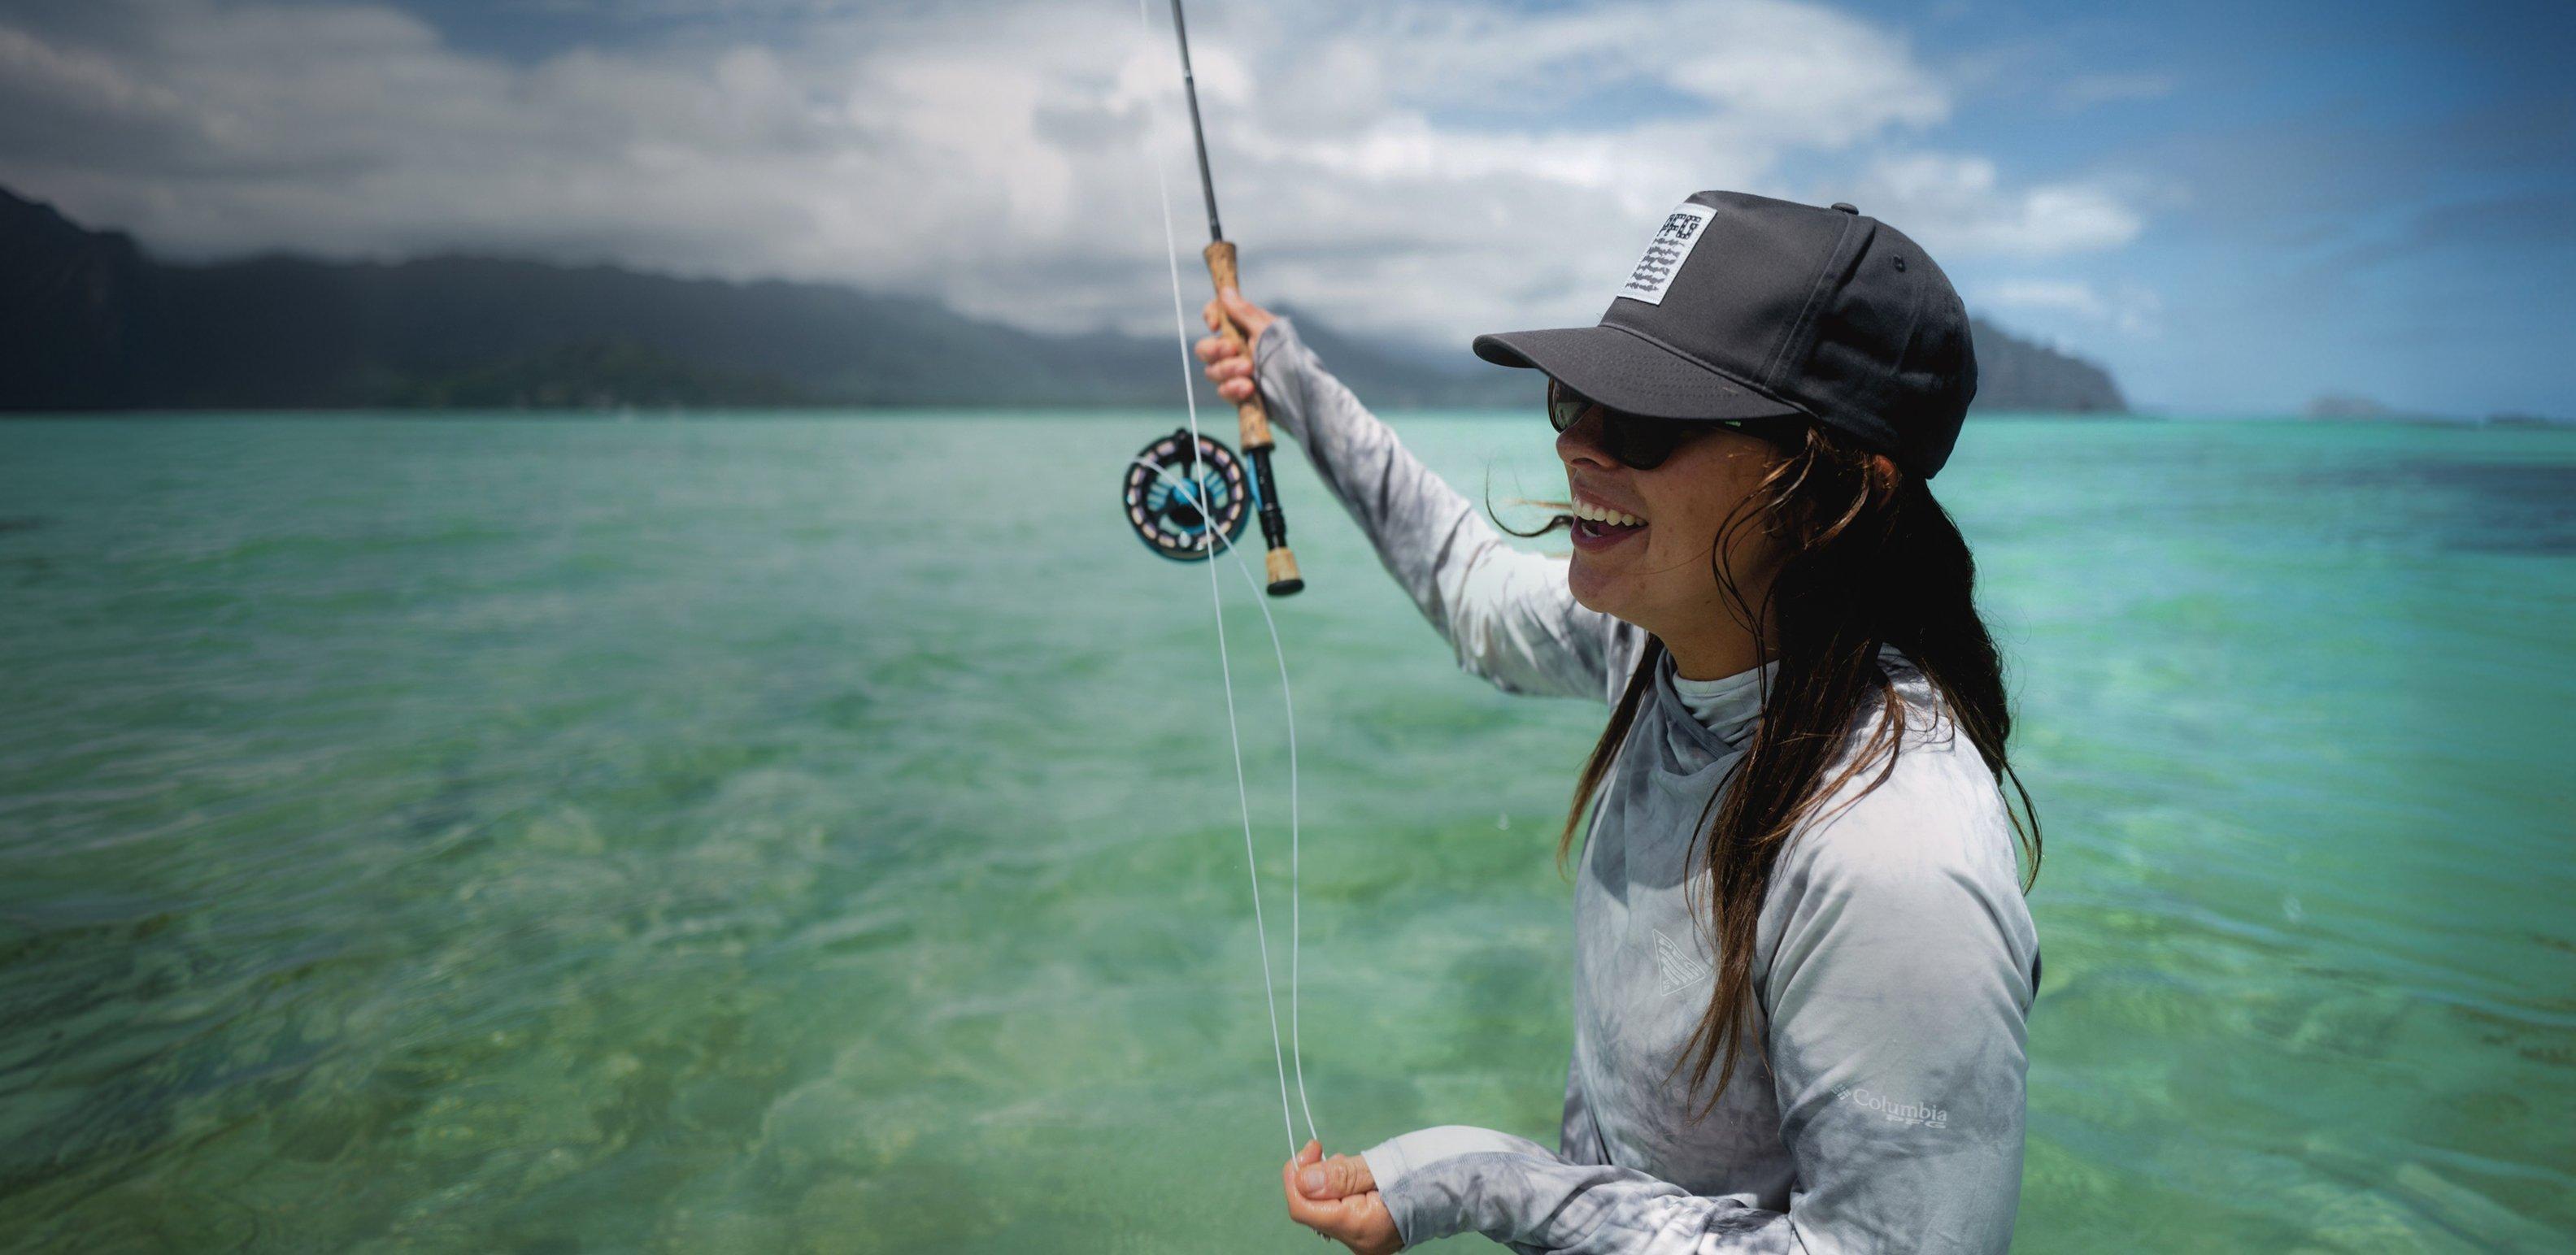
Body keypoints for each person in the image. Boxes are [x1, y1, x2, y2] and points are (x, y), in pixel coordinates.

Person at [1193, 191, 2046, 1254]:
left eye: (1645, 421)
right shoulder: (1658, 642)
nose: (1580, 447)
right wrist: (1287, 375)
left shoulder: (1893, 858)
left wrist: (1495, 1184)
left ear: (1830, 491)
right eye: (1573, 397)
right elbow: (1471, 592)